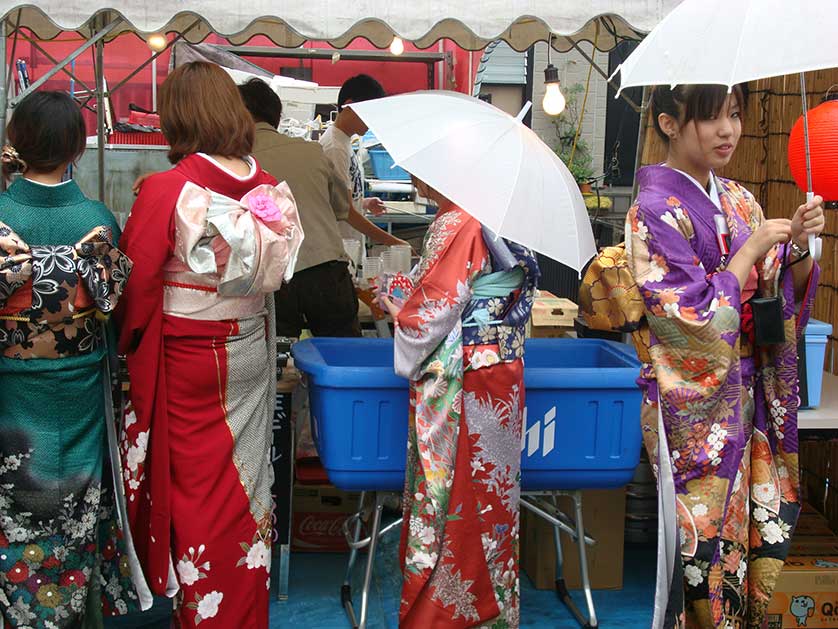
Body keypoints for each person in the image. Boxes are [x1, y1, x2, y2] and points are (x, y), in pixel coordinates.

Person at [625, 84, 824, 628]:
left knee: (746, 539)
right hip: (690, 400)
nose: (729, 131)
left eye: (733, 116)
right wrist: (751, 251)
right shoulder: (651, 211)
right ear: (668, 123)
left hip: (745, 392)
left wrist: (799, 246)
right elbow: (688, 319)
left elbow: (777, 292)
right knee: (697, 557)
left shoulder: (737, 198)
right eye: (711, 119)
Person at [116, 62, 303, 628]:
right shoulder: (265, 187)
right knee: (246, 484)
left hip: (188, 356)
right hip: (247, 349)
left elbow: (138, 279)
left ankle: (206, 614)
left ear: (178, 118)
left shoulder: (169, 189)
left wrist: (128, 343)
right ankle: (238, 610)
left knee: (197, 493)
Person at [0, 92, 147, 627]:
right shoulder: (98, 220)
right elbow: (116, 310)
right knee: (75, 506)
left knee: (15, 500)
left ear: (17, 141)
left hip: (11, 383)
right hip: (81, 380)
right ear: (75, 149)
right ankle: (73, 604)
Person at [376, 176, 539, 628]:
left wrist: (398, 311)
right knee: (493, 496)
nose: (412, 177)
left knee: (458, 494)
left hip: (467, 377)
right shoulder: (496, 217)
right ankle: (494, 612)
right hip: (502, 370)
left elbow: (429, 316)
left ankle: (447, 616)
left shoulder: (458, 221)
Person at [238, 78, 361, 337]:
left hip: (273, 279)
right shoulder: (313, 151)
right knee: (343, 355)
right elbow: (341, 208)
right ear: (277, 115)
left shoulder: (236, 163)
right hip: (326, 270)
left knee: (278, 364)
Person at [320, 74, 407, 247]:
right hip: (341, 248)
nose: (372, 122)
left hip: (350, 247)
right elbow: (346, 211)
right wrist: (394, 242)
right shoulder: (334, 147)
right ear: (350, 105)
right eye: (370, 114)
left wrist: (364, 203)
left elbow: (340, 200)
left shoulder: (344, 142)